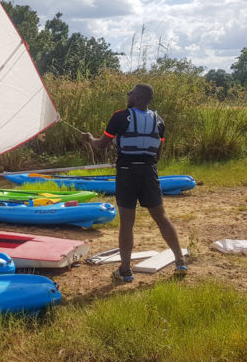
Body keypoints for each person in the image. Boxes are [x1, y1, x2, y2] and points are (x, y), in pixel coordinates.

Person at [81, 83, 188, 282]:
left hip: (127, 172)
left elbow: (101, 145)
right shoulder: (159, 120)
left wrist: (89, 139)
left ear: (138, 97)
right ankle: (180, 262)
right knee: (161, 216)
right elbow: (157, 153)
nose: (128, 95)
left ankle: (125, 270)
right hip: (149, 171)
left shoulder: (121, 116)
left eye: (131, 93)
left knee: (127, 222)